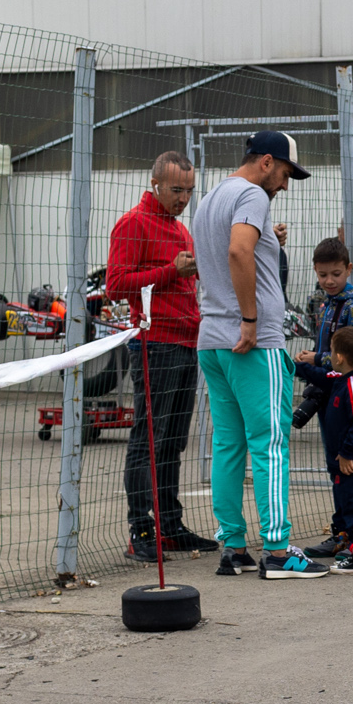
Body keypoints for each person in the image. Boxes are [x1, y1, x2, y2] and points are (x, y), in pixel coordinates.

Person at [192, 130, 328, 580]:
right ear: (266, 162)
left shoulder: (212, 197)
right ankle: (277, 550)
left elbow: (230, 251)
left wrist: (269, 242)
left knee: (228, 445)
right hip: (252, 341)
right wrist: (250, 319)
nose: (285, 185)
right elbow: (238, 250)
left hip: (213, 340)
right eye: (286, 173)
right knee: (270, 443)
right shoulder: (252, 194)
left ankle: (233, 547)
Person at [108, 150, 218, 560]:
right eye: (176, 190)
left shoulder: (179, 228)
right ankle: (141, 530)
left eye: (189, 191)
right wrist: (172, 271)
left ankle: (170, 526)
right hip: (155, 343)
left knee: (171, 441)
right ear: (155, 185)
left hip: (186, 341)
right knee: (149, 439)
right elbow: (116, 285)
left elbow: (185, 276)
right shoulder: (134, 223)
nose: (184, 198)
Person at [296, 238, 353, 556]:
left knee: (350, 468)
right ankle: (341, 532)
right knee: (336, 469)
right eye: (323, 274)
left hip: (348, 396)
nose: (329, 281)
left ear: (349, 269)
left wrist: (317, 359)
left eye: (336, 274)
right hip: (329, 394)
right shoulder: (324, 301)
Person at [295, 326, 353, 574]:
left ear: (339, 357)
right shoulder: (339, 377)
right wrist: (292, 365)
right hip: (340, 460)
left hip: (351, 461)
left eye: (330, 351)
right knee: (344, 502)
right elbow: (318, 374)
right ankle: (345, 541)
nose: (328, 355)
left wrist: (348, 453)